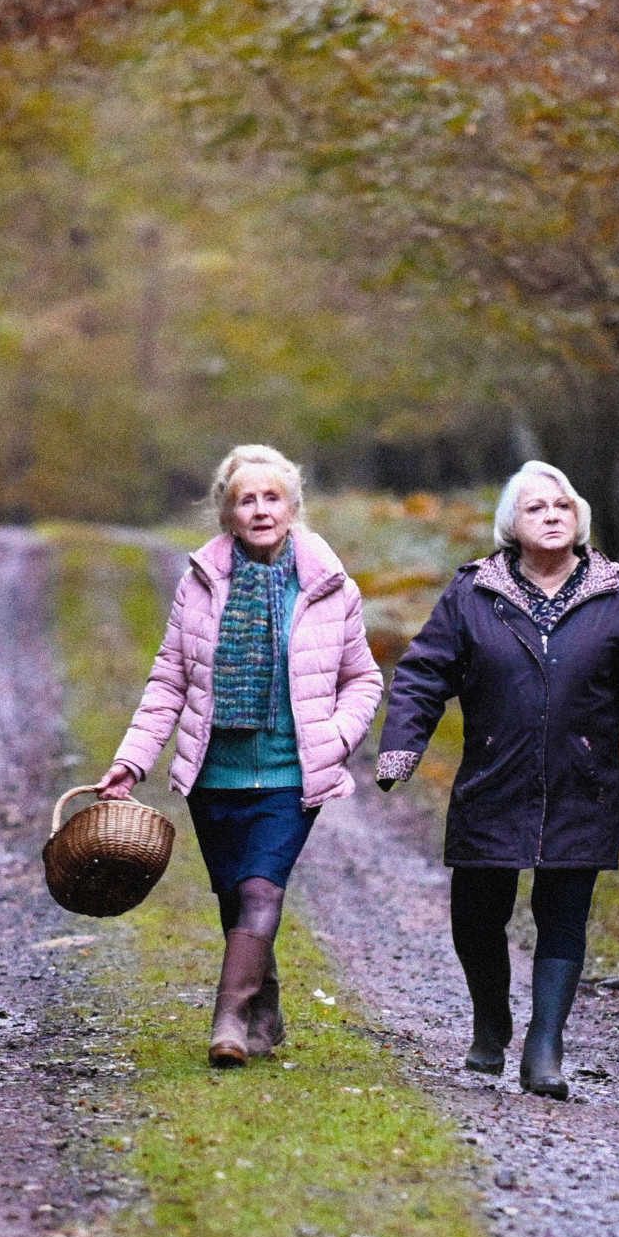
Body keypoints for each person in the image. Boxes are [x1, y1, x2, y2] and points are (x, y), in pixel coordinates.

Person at [375, 460, 619, 1099]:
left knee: (564, 913)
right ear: (513, 523)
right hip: (492, 776)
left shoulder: (614, 593)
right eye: (537, 507)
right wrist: (402, 747)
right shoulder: (473, 592)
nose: (553, 515)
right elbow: (425, 673)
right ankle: (490, 1019)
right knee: (477, 913)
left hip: (581, 781)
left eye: (563, 504)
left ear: (580, 516)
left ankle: (546, 1044)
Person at [95, 444, 383, 1068]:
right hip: (214, 773)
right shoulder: (199, 585)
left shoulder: (331, 587)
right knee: (234, 896)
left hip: (290, 770)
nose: (260, 510)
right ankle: (265, 1006)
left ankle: (227, 1018)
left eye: (271, 498)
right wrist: (133, 760)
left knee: (261, 889)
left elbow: (363, 680)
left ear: (292, 507)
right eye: (246, 500)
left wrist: (335, 738)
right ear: (227, 514)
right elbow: (169, 681)